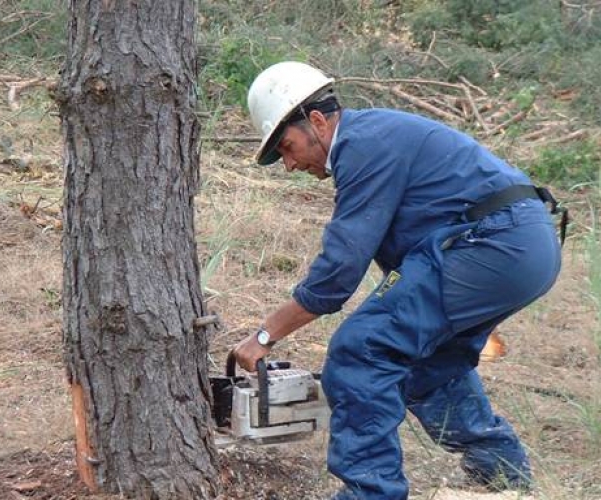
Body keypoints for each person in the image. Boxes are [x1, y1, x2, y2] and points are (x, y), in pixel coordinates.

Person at [232, 61, 564, 500]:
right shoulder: (376, 138)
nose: (290, 165)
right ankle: (501, 474)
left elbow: (338, 273)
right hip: (523, 246)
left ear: (316, 121)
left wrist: (264, 334)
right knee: (427, 363)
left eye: (289, 148)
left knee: (360, 351)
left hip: (495, 243)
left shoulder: (363, 146)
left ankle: (372, 493)